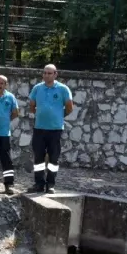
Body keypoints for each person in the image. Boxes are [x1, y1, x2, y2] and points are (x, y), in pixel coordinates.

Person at [26, 64, 73, 194]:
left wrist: (59, 116)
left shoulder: (63, 89)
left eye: (49, 73)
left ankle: (50, 184)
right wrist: (37, 114)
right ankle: (39, 184)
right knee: (38, 158)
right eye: (45, 73)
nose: (46, 75)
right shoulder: (37, 88)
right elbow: (32, 104)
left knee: (53, 158)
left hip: (55, 129)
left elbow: (69, 107)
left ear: (55, 74)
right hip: (39, 128)